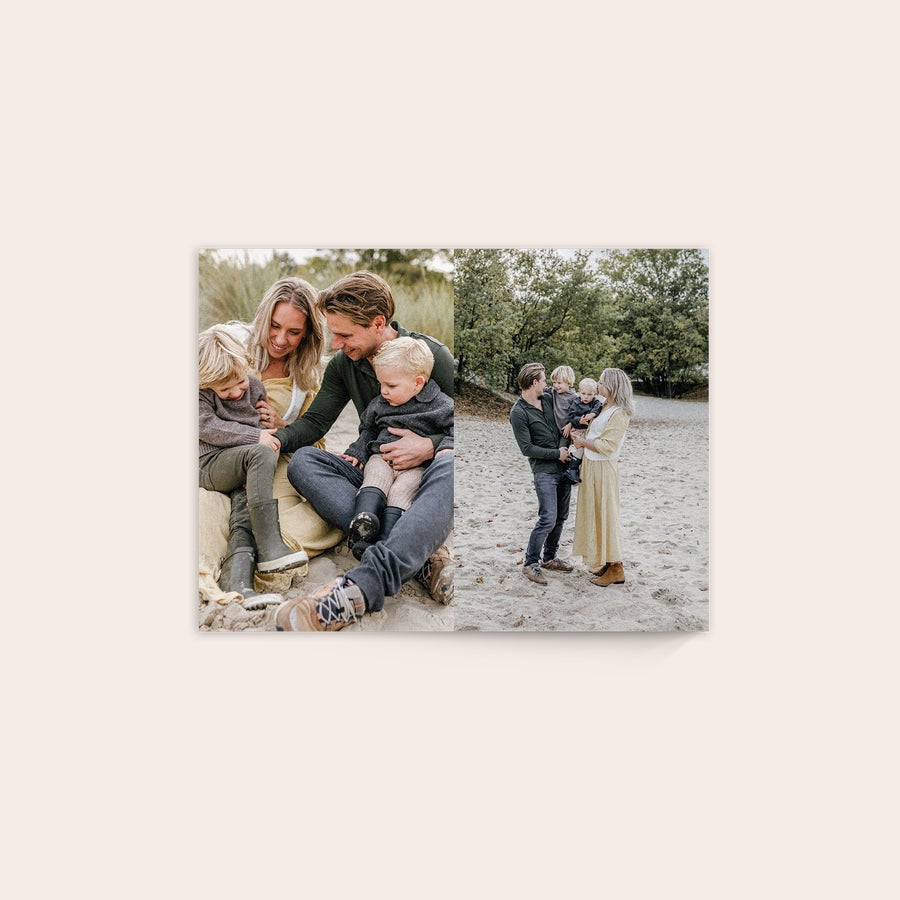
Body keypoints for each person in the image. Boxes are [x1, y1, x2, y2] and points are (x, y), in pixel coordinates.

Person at [271, 271, 455, 632]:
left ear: (378, 323)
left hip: (425, 477)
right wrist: (276, 439)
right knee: (305, 462)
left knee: (452, 466)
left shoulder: (432, 356)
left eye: (344, 335)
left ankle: (363, 585)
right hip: (376, 470)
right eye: (333, 333)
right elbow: (316, 422)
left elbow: (458, 426)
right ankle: (418, 554)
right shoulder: (345, 364)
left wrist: (429, 446)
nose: (335, 344)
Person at [199, 276, 343, 614]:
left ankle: (244, 571)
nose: (280, 340)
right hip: (217, 459)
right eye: (274, 326)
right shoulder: (227, 343)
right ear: (264, 317)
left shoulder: (305, 378)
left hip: (264, 465)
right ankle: (236, 565)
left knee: (280, 510)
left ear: (307, 334)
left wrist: (283, 426)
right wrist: (254, 437)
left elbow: (315, 440)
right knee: (210, 514)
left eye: (293, 332)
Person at [198, 326, 308, 582]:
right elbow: (205, 426)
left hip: (240, 464)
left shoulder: (255, 387)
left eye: (240, 382)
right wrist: (255, 438)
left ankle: (236, 576)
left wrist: (266, 437)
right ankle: (270, 545)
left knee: (243, 510)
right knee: (261, 451)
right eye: (225, 390)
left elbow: (259, 426)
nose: (237, 393)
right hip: (208, 464)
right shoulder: (200, 393)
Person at [343, 336, 454, 561]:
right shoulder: (380, 403)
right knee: (375, 476)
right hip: (382, 456)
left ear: (418, 383)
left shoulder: (441, 405)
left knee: (402, 491)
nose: (383, 391)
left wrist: (444, 446)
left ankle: (387, 539)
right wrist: (357, 452)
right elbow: (368, 430)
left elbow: (454, 429)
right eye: (381, 384)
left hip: (416, 468)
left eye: (391, 386)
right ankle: (364, 521)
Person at [509, 362, 575, 586]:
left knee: (561, 517)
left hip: (564, 467)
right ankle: (530, 563)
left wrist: (564, 447)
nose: (547, 384)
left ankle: (549, 557)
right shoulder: (518, 412)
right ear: (534, 383)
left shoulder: (548, 399)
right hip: (544, 471)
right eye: (544, 380)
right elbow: (526, 448)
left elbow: (565, 420)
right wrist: (556, 454)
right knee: (547, 518)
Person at [571, 368, 635, 586]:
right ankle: (608, 562)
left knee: (606, 513)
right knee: (596, 513)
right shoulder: (602, 405)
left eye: (601, 382)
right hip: (591, 465)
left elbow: (608, 445)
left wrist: (582, 442)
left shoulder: (620, 412)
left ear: (612, 385)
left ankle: (617, 567)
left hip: (603, 468)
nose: (598, 385)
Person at [563, 377, 603, 484]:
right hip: (579, 429)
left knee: (585, 450)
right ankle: (572, 469)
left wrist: (592, 414)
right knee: (579, 449)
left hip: (589, 431)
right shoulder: (576, 403)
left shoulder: (595, 402)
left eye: (589, 394)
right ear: (579, 392)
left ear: (595, 394)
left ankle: (575, 469)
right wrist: (579, 420)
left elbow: (598, 407)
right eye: (583, 393)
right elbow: (571, 416)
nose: (586, 397)